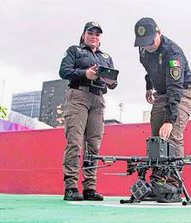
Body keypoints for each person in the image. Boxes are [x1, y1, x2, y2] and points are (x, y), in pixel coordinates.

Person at [134, 17, 191, 202]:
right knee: (156, 137)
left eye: (151, 42)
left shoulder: (173, 53)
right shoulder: (143, 50)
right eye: (143, 43)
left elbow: (175, 88)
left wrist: (169, 120)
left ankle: (173, 185)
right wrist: (148, 86)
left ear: (159, 33)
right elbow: (148, 69)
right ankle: (157, 183)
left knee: (172, 134)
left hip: (182, 91)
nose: (148, 46)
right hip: (161, 92)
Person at [59, 21, 117, 201]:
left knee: (94, 145)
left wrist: (110, 81)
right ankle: (70, 186)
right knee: (75, 141)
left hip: (98, 99)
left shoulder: (106, 57)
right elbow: (64, 71)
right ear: (84, 35)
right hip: (78, 96)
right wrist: (85, 73)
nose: (94, 36)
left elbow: (114, 83)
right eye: (90, 33)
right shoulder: (74, 51)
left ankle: (90, 187)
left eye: (97, 34)